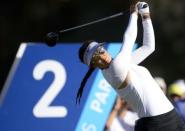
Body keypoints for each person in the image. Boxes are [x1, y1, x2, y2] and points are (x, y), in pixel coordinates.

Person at [77, 1, 185, 131]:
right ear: (93, 64)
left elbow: (148, 47)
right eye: (96, 55)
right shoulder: (116, 68)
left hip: (172, 116)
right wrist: (134, 14)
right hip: (156, 123)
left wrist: (146, 16)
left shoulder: (121, 64)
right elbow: (129, 38)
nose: (102, 52)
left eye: (100, 48)